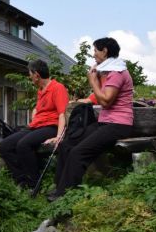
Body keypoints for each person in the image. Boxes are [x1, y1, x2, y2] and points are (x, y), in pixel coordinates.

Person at [48, 37, 134, 201]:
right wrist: (95, 83)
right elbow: (102, 97)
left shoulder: (117, 72)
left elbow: (106, 101)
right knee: (67, 144)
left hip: (118, 124)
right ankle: (59, 187)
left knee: (78, 152)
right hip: (105, 122)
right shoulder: (108, 71)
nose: (93, 54)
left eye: (95, 50)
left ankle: (65, 196)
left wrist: (93, 81)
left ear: (105, 51)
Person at [0, 59, 69, 190]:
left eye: (30, 73)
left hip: (51, 127)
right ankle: (21, 180)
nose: (29, 76)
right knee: (5, 145)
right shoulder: (41, 90)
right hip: (35, 126)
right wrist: (35, 112)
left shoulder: (58, 88)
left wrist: (59, 136)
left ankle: (34, 183)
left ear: (36, 75)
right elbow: (39, 108)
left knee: (23, 144)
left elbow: (62, 114)